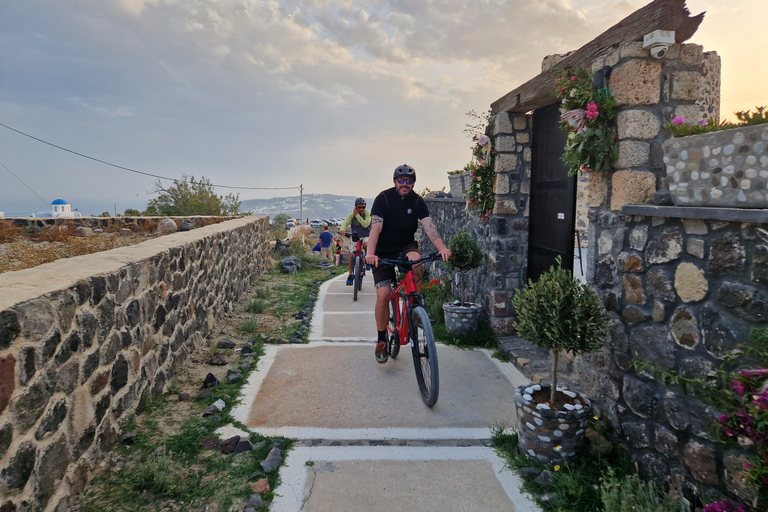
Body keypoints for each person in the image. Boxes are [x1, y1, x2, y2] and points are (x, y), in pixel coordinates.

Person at [365, 165, 451, 363]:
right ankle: (381, 339)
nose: (405, 184)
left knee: (417, 263)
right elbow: (376, 227)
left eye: (409, 181)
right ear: (395, 181)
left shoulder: (417, 201)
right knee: (384, 294)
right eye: (401, 180)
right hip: (382, 251)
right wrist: (370, 254)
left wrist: (442, 248)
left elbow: (429, 226)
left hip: (405, 245)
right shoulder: (383, 198)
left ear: (414, 183)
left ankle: (415, 307)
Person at [339, 197, 372, 286]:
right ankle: (350, 275)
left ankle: (367, 260)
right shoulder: (351, 215)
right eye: (359, 207)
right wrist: (342, 229)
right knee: (351, 255)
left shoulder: (368, 214)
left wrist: (357, 215)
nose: (361, 209)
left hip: (366, 235)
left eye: (363, 207)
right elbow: (345, 222)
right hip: (355, 236)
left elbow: (366, 224)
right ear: (355, 207)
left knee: (366, 245)